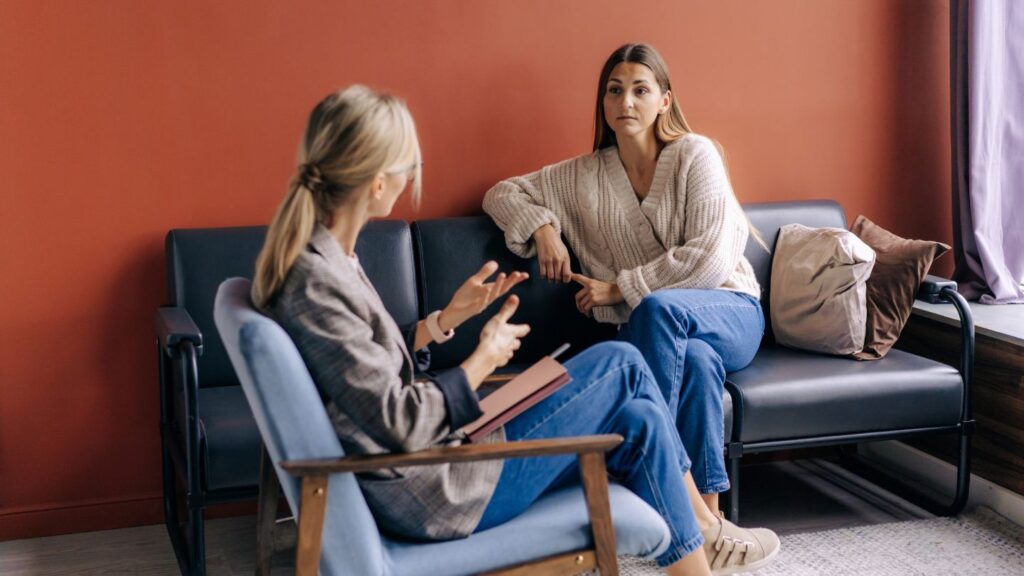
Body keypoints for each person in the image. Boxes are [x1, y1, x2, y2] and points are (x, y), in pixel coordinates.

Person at [252, 85, 778, 575]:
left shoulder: (327, 260)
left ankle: (702, 545)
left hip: (437, 458)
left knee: (639, 415)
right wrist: (483, 358)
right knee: (623, 364)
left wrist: (445, 321)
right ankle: (708, 527)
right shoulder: (315, 281)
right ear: (377, 182)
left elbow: (364, 369)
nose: (413, 176)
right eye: (409, 165)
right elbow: (398, 421)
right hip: (437, 488)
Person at [483, 43, 766, 529]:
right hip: (668, 333)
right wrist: (543, 229)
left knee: (655, 310)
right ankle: (710, 523)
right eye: (615, 91)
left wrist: (618, 290)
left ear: (665, 101)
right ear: (604, 103)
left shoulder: (695, 155)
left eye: (640, 90)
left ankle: (660, 484)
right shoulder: (582, 176)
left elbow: (712, 257)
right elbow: (502, 193)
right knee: (694, 360)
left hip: (730, 309)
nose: (626, 102)